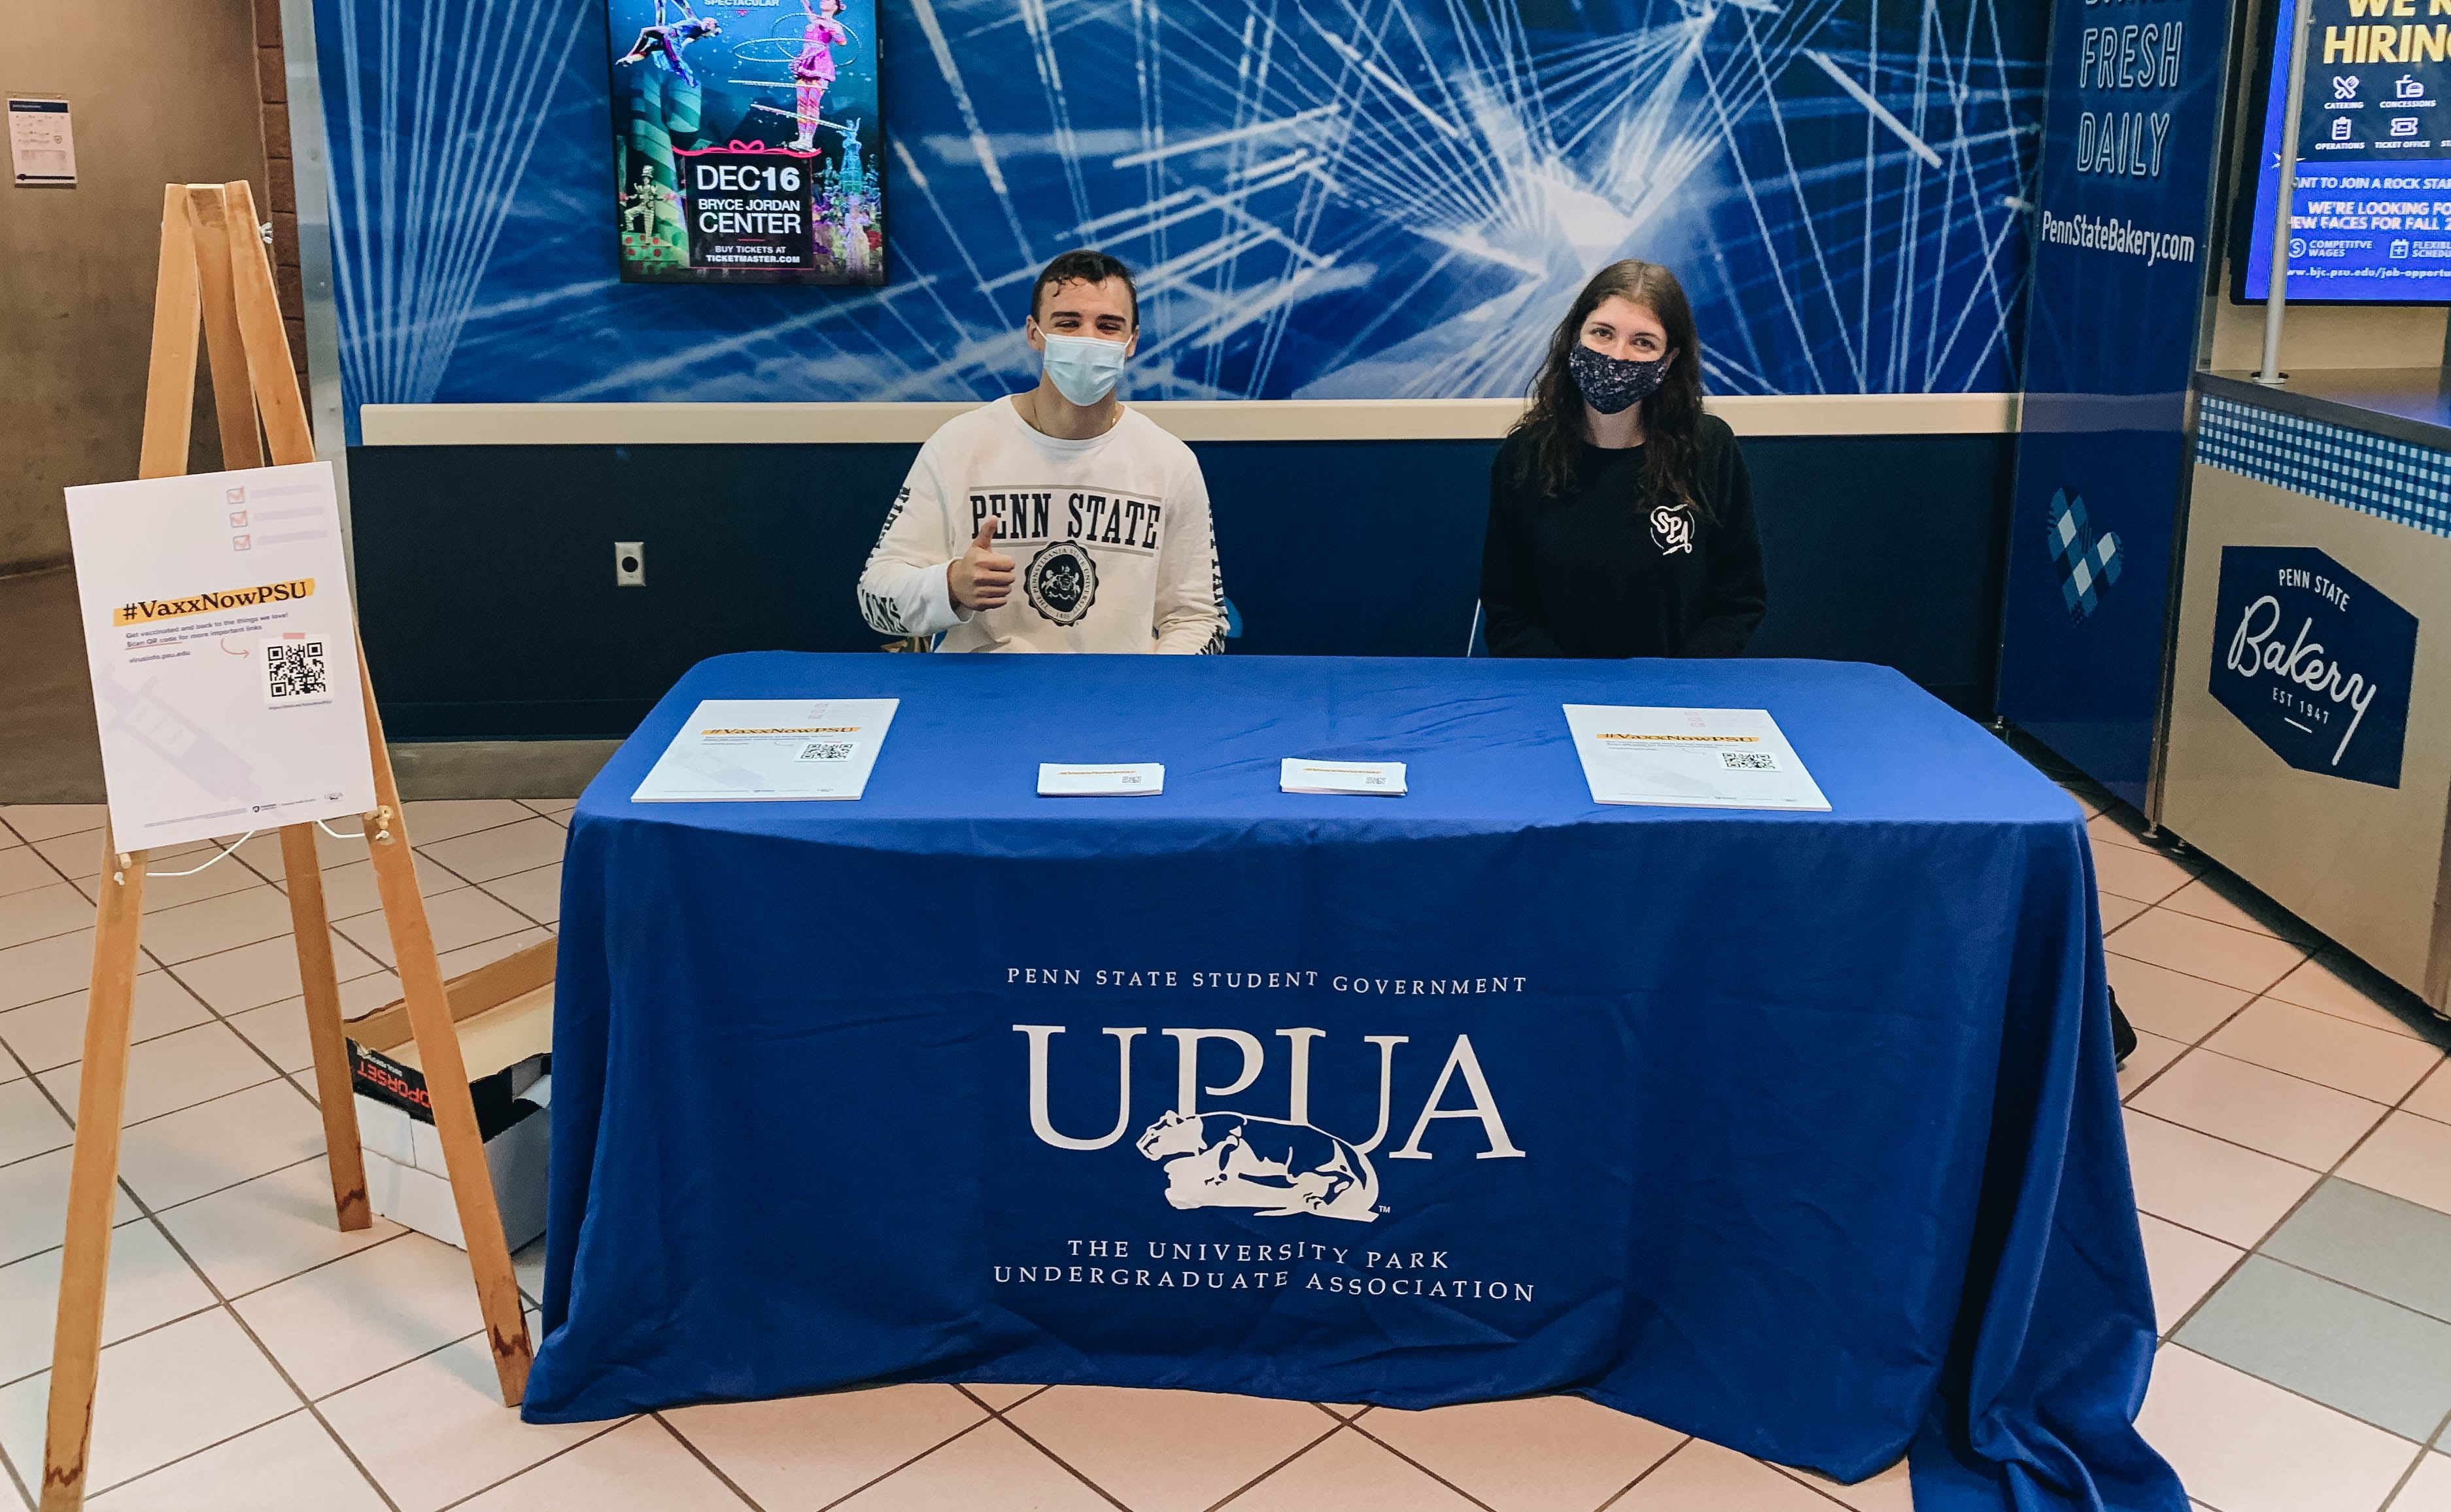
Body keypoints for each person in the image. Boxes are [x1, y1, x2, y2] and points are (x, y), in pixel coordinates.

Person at [857, 250, 1228, 654]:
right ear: (1034, 333)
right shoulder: (960, 445)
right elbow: (876, 600)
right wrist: (950, 587)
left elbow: (1197, 618)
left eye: (1108, 326)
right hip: (981, 703)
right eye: (1068, 323)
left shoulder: (1169, 460)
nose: (1088, 339)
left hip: (1117, 706)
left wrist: (1150, 692)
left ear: (1131, 341)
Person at [1477, 260, 1765, 658]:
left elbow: (1738, 600)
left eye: (1643, 342)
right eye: (1602, 333)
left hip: (1678, 699)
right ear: (1574, 337)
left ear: (1669, 360)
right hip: (1552, 697)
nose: (1617, 356)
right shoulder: (1526, 455)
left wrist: (1679, 687)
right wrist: (1564, 688)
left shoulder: (1710, 449)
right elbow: (1507, 608)